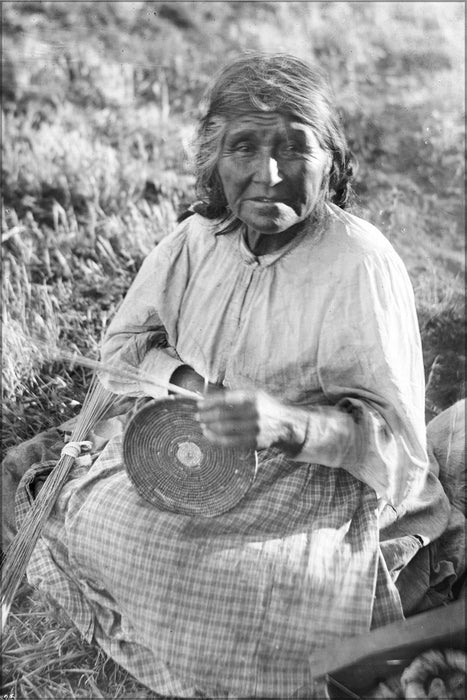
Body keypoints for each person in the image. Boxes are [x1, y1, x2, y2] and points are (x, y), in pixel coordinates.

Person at [19, 54, 455, 698]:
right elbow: (124, 347)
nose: (268, 173)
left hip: (317, 483)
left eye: (293, 147)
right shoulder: (197, 241)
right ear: (214, 163)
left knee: (208, 577)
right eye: (243, 146)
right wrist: (198, 387)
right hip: (195, 451)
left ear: (329, 161)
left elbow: (400, 452)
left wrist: (289, 425)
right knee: (97, 519)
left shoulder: (361, 264)